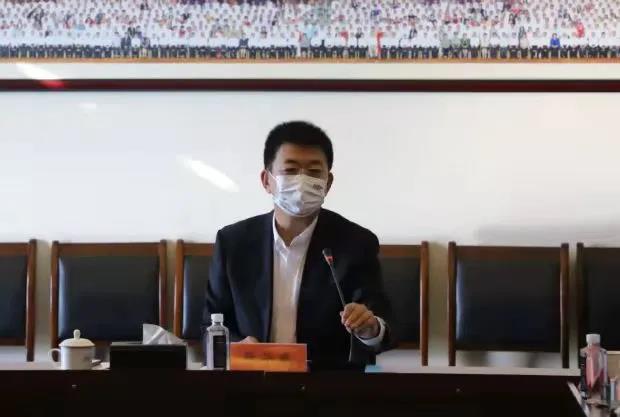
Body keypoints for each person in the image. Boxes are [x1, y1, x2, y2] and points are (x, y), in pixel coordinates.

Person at [203, 121, 393, 371]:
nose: (302, 181)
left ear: (328, 182)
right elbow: (211, 323)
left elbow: (380, 325)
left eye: (314, 171)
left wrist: (370, 328)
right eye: (290, 170)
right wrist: (236, 346)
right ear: (266, 180)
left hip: (327, 383)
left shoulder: (356, 243)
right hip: (251, 378)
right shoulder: (233, 242)